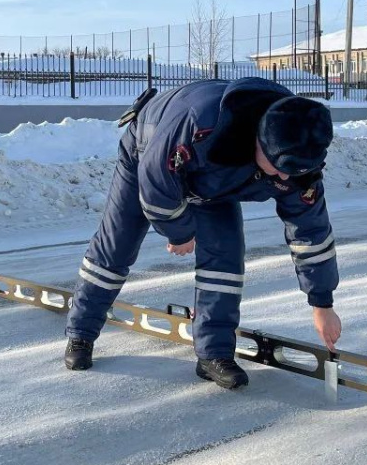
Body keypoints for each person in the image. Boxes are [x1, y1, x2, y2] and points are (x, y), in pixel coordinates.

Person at [64, 77, 342, 389]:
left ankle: (214, 355)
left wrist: (322, 303)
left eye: (294, 170)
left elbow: (311, 233)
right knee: (118, 242)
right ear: (260, 140)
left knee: (225, 254)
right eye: (278, 165)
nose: (283, 176)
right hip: (149, 149)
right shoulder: (198, 125)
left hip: (216, 178)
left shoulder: (299, 156)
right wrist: (180, 233)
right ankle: (81, 334)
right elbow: (156, 191)